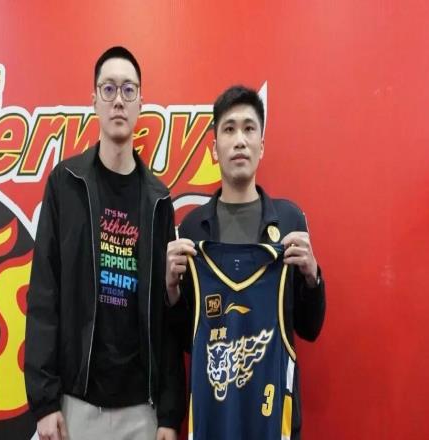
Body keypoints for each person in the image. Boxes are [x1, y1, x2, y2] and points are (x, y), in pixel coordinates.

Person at [25, 46, 185, 440]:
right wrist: (45, 402)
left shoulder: (158, 200)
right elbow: (44, 293)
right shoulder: (66, 184)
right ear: (94, 99)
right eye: (108, 88)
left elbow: (166, 315)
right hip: (76, 405)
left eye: (128, 90)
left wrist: (169, 414)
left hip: (142, 411)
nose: (118, 100)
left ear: (140, 102)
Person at [166, 85, 325, 440]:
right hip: (213, 421)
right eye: (229, 129)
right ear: (214, 148)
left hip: (271, 421)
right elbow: (187, 339)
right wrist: (171, 291)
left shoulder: (289, 221)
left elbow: (310, 328)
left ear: (261, 145)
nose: (239, 140)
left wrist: (312, 277)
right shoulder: (192, 230)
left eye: (249, 129)